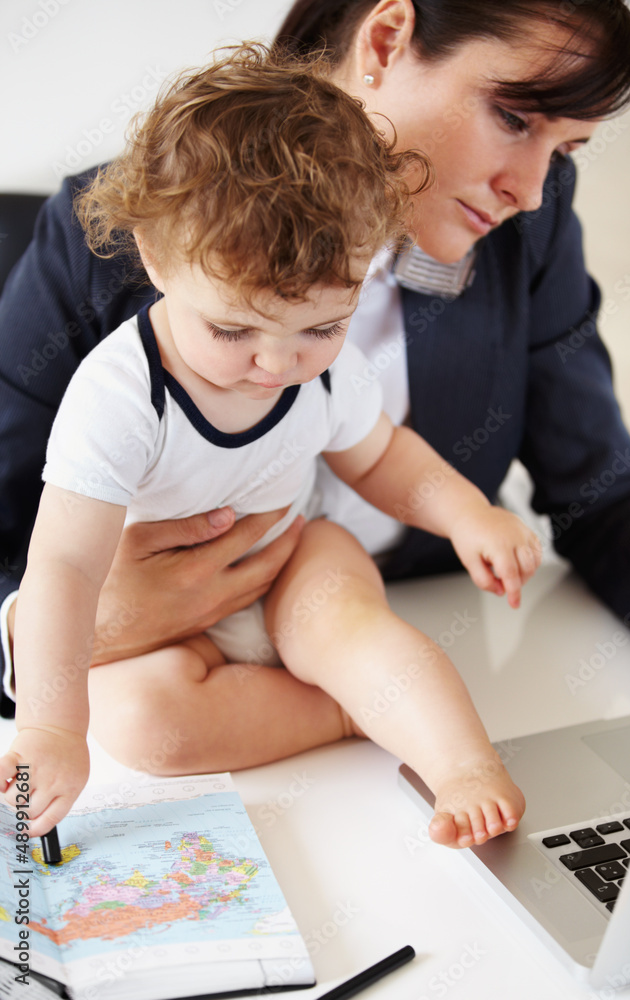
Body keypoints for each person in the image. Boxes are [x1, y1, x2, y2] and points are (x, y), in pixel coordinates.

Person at [0, 2, 630, 749]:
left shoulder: (527, 224)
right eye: (513, 118)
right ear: (384, 39)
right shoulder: (122, 236)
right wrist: (62, 628)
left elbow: (601, 496)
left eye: (566, 150)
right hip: (179, 692)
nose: (533, 192)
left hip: (404, 650)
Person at [0, 45, 541, 845]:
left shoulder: (323, 372)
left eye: (322, 327)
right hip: (159, 621)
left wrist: (467, 515)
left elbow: (384, 456)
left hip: (292, 562)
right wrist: (50, 728)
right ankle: (347, 713)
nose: (276, 364)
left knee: (356, 630)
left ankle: (460, 764)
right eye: (233, 327)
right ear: (155, 256)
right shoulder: (120, 397)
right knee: (148, 727)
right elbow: (66, 568)